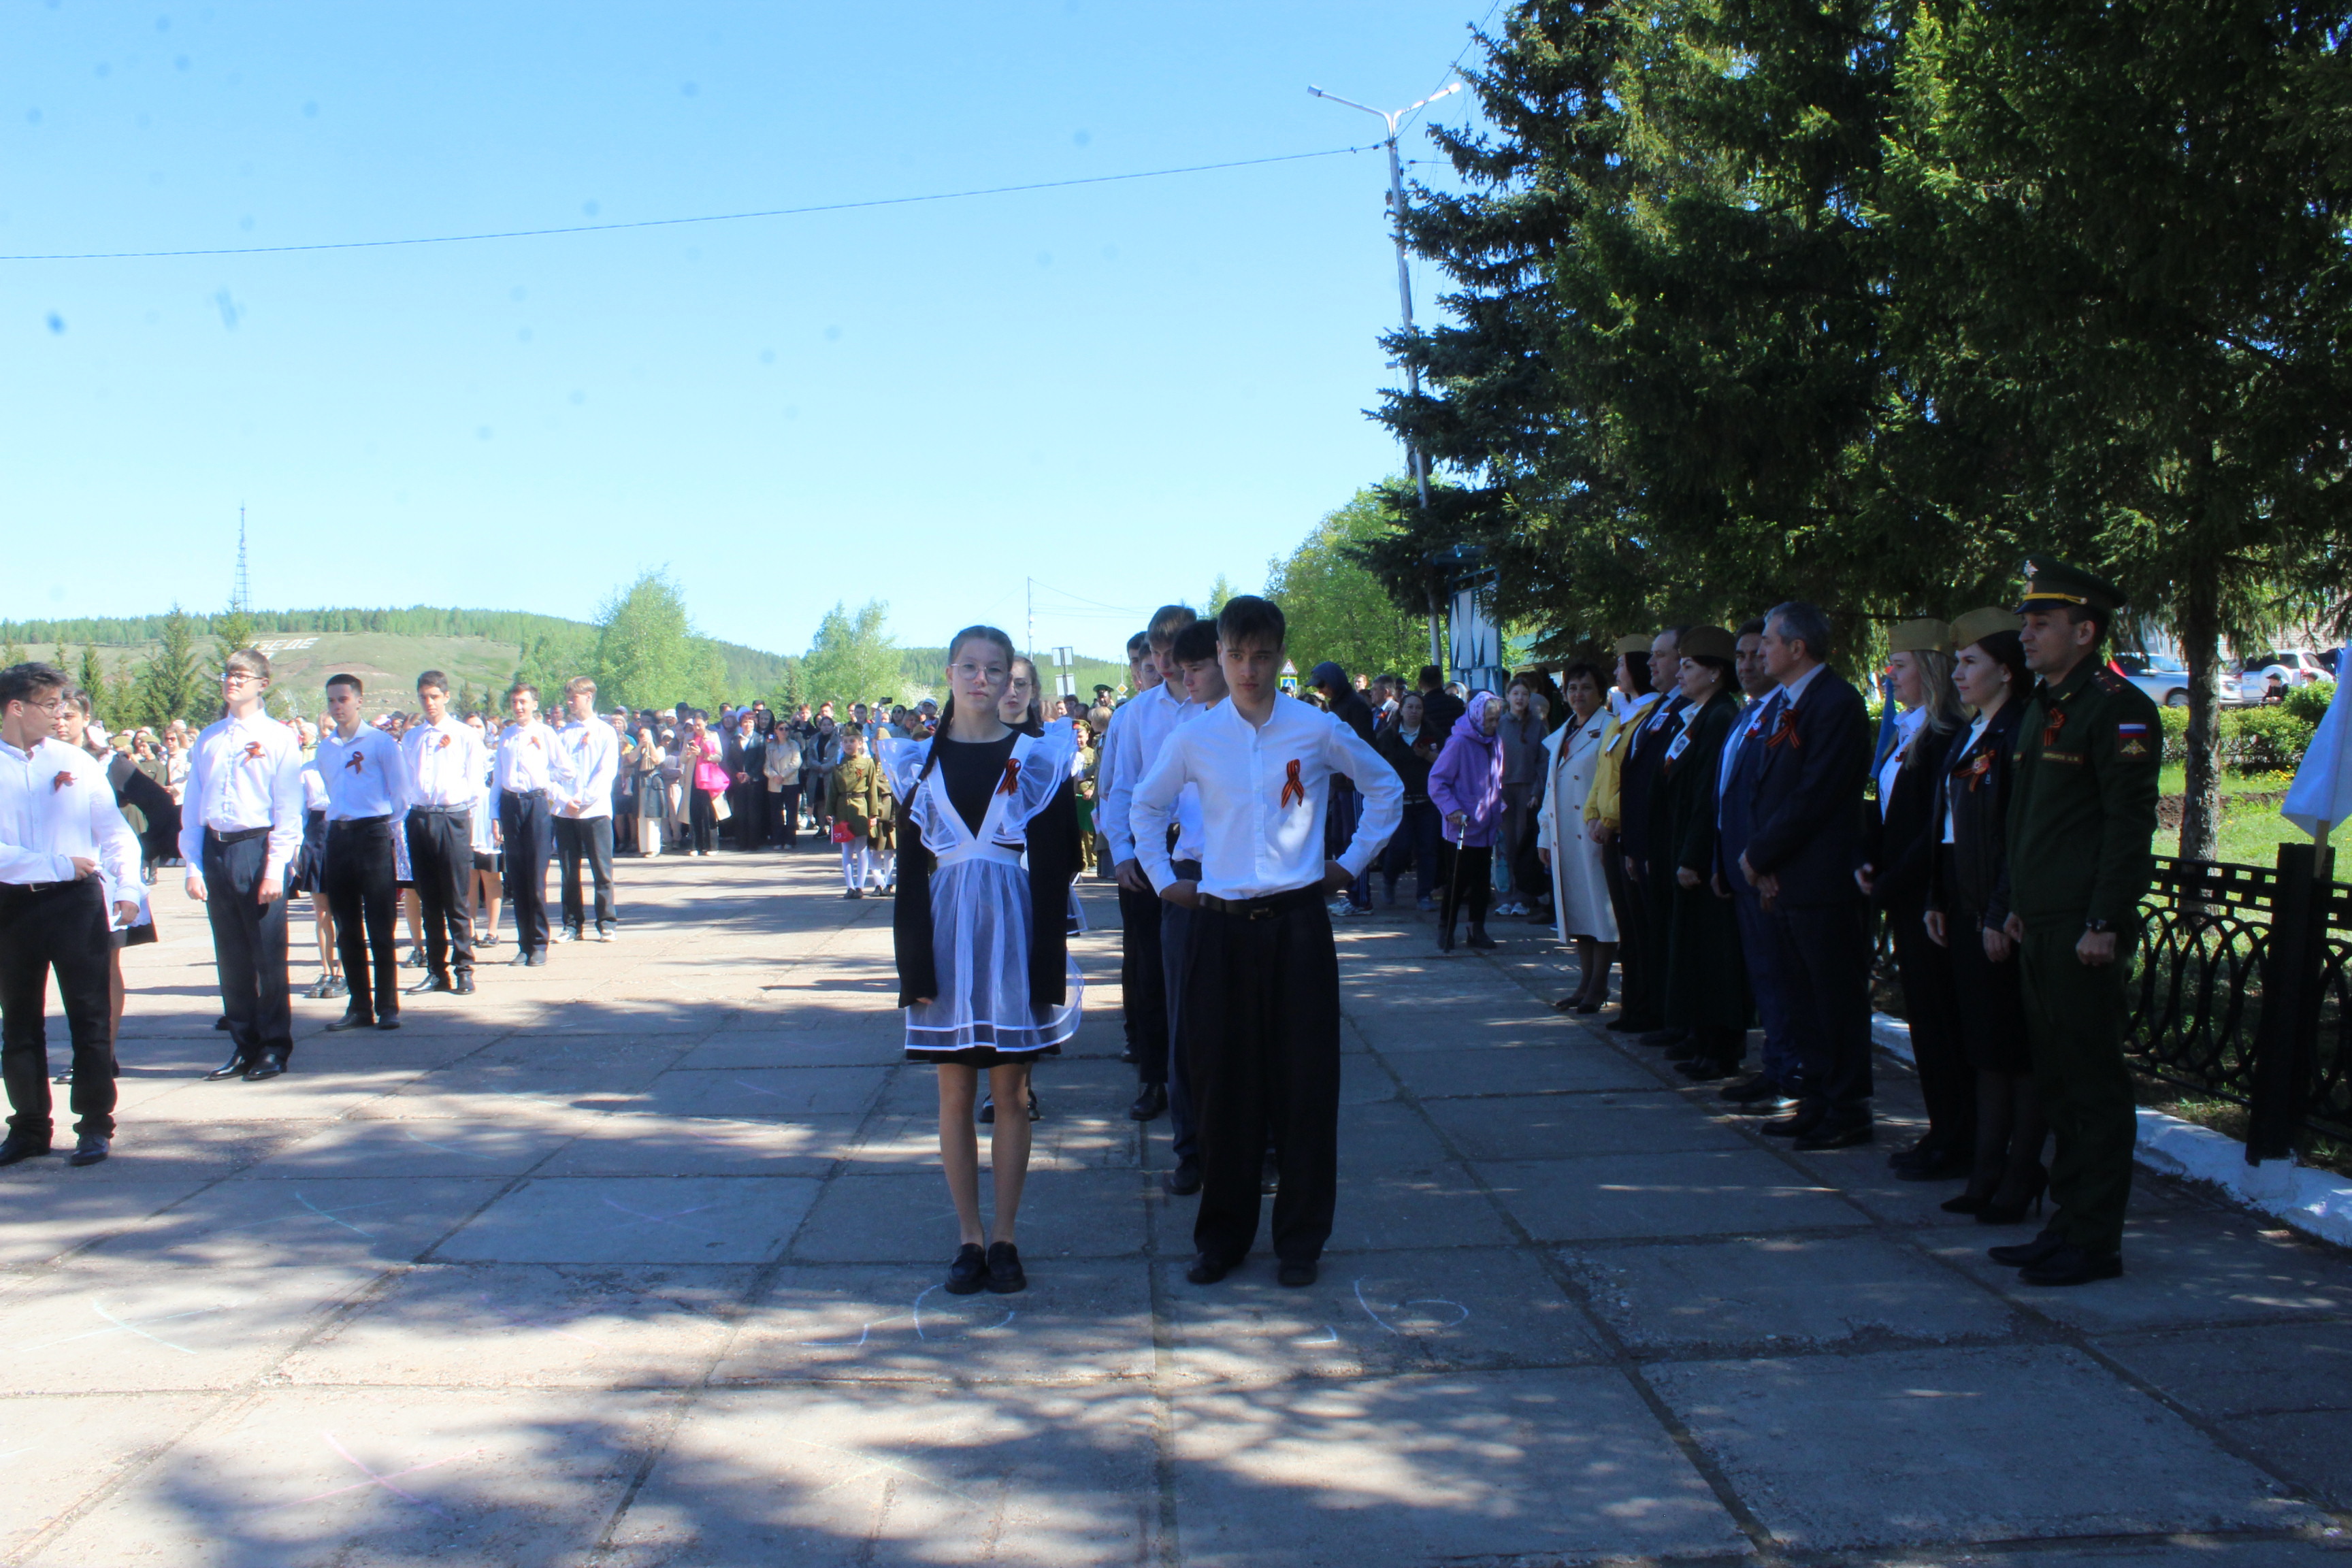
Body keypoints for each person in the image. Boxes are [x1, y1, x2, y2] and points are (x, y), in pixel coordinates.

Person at [1132, 595, 1401, 1288]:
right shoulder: (1196, 737)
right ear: (1218, 655)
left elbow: (1386, 788)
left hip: (1298, 927)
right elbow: (1146, 803)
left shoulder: (1314, 729)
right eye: (1236, 654)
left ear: (1281, 658)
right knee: (1224, 1086)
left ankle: (1301, 1240)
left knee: (1305, 1085)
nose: (1248, 669)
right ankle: (1222, 1237)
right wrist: (1164, 878)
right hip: (1219, 928)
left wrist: (1351, 864)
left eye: (1261, 656)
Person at [881, 625, 1083, 1296]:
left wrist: (1049, 966)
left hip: (1012, 938)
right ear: (948, 674)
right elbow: (911, 876)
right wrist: (914, 970)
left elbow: (1059, 867)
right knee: (953, 1092)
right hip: (945, 939)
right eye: (967, 667)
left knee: (1012, 1094)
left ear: (1008, 682)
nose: (980, 679)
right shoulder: (917, 763)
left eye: (993, 670)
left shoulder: (1037, 757)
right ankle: (967, 1237)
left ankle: (1006, 1237)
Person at [1989, 560, 2160, 1287]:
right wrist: (2015, 904)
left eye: (2041, 623)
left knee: (2092, 1087)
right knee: (2059, 1082)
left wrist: (2104, 920)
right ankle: (2067, 1224)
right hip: (2044, 924)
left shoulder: (2118, 708)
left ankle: (2095, 1241)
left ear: (2085, 632)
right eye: (2026, 621)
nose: (2025, 634)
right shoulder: (2043, 704)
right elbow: (2028, 822)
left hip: (2082, 931)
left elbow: (2127, 827)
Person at [1737, 603, 1874, 1150]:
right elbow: (1767, 789)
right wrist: (1766, 861)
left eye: (1769, 641)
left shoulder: (1836, 703)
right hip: (1787, 877)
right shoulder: (1787, 703)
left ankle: (1847, 1107)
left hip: (1822, 880)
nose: (1761, 650)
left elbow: (1816, 794)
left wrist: (1763, 853)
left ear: (1798, 648)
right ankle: (1815, 1100)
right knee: (1803, 1000)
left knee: (1834, 999)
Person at [1927, 607, 2046, 1224]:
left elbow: (2014, 835)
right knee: (1984, 1049)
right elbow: (1945, 828)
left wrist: (2001, 911)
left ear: (2006, 670)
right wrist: (1935, 900)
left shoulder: (2020, 729)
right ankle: (1986, 1171)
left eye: (1970, 662)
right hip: (1964, 903)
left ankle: (2018, 1176)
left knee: (2011, 1053)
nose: (1958, 673)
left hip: (1998, 911)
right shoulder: (1974, 731)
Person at [0, 665, 142, 1165]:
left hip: (76, 901)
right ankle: (30, 1126)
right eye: (49, 705)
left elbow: (114, 831)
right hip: (12, 904)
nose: (61, 715)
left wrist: (128, 885)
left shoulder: (75, 760)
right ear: (16, 708)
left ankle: (95, 1123)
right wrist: (53, 862)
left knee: (89, 1015)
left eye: (64, 705)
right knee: (18, 1020)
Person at [1857, 621, 1971, 1178]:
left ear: (1929, 669)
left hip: (1927, 895)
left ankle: (1957, 1135)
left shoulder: (1947, 734)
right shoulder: (1907, 729)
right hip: (1901, 889)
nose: (1890, 676)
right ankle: (1941, 1129)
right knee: (1926, 1021)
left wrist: (1890, 879)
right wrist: (1868, 859)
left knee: (1942, 1022)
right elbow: (1886, 807)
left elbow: (1932, 828)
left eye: (1899, 666)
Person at [181, 648, 308, 1081]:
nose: (231, 681)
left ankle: (274, 1046)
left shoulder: (277, 736)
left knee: (267, 956)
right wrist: (193, 865)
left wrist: (276, 867)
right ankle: (243, 1043)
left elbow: (289, 807)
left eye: (241, 675)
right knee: (231, 957)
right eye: (227, 674)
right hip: (218, 848)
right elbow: (194, 805)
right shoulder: (210, 738)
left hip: (257, 847)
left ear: (262, 684)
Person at [1105, 608, 1198, 1123]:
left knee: (1199, 969)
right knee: (1147, 967)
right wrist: (1122, 854)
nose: (1163, 664)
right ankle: (1154, 1077)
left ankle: (1199, 1075)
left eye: (1173, 653)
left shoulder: (1215, 705)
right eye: (1155, 654)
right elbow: (1121, 788)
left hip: (1205, 850)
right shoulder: (1136, 714)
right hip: (1147, 848)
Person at [1715, 620, 1801, 1109]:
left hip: (1766, 868)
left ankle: (1788, 1071)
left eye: (1756, 654)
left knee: (1780, 975)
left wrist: (1761, 858)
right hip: (1739, 864)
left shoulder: (1783, 715)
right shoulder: (1747, 716)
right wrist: (1719, 860)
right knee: (1763, 975)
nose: (1749, 664)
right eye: (1742, 656)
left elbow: (1779, 797)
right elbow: (1725, 795)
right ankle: (1776, 1064)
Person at [1654, 627, 1748, 1079]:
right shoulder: (1699, 715)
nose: (1682, 673)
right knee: (1693, 950)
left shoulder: (1720, 717)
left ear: (1714, 672)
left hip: (1706, 855)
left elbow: (1707, 794)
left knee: (1714, 955)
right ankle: (1699, 1036)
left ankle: (1720, 1046)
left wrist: (1693, 856)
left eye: (1690, 667)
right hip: (1684, 844)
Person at [310, 674, 414, 1033]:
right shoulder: (326, 748)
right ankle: (359, 1005)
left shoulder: (380, 743)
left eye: (343, 699)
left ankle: (388, 1005)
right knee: (346, 926)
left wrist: (387, 828)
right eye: (332, 701)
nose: (337, 707)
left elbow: (401, 792)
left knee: (380, 925)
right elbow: (330, 791)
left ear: (358, 701)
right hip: (338, 836)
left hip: (372, 833)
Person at [1584, 636, 1663, 1028]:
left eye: (1620, 664)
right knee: (1628, 927)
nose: (1616, 671)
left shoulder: (1650, 715)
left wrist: (1609, 818)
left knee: (1638, 928)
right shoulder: (1624, 716)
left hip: (1624, 829)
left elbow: (1632, 781)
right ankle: (1635, 1005)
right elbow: (1604, 774)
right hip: (1609, 830)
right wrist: (1593, 813)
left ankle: (1645, 1007)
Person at [1616, 629, 1688, 1036]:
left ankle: (1669, 1017)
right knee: (1646, 936)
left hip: (1662, 843)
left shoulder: (1686, 712)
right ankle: (1654, 1011)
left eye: (1660, 656)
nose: (1650, 664)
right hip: (1641, 841)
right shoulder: (1664, 707)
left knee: (1662, 935)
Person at [400, 670, 487, 998]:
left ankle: (464, 966)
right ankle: (436, 971)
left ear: (446, 697)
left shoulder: (464, 734)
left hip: (452, 817)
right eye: (424, 697)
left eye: (435, 696)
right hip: (421, 817)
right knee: (429, 900)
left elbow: (476, 783)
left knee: (455, 897)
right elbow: (408, 780)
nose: (429, 703)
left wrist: (470, 825)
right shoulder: (412, 737)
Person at [1537, 662, 1615, 1012]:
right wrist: (1544, 834)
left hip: (1593, 833)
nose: (1578, 695)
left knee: (1600, 911)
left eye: (1585, 687)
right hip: (1564, 835)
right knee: (1578, 913)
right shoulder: (1564, 731)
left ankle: (1599, 985)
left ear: (1600, 692)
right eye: (1572, 688)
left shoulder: (1611, 728)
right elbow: (1551, 788)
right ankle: (1584, 982)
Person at [493, 681, 570, 968]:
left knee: (536, 878)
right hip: (511, 804)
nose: (519, 707)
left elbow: (566, 769)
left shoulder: (545, 733)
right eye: (515, 702)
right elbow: (499, 778)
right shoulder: (507, 736)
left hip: (536, 804)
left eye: (524, 702)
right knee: (518, 878)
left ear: (535, 705)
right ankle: (523, 944)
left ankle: (539, 943)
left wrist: (548, 785)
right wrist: (494, 815)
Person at [1427, 691, 1505, 950]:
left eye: (1496, 720)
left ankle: (1476, 928)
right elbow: (1437, 781)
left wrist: (1499, 805)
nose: (1494, 725)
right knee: (1458, 881)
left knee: (1482, 883)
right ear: (1476, 716)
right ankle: (1446, 928)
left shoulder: (1496, 742)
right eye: (1489, 720)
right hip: (1461, 825)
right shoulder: (1459, 742)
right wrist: (1453, 810)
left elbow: (1496, 780)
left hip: (1487, 823)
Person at [552, 677, 621, 944]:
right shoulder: (563, 734)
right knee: (569, 871)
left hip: (595, 809)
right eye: (568, 698)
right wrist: (563, 798)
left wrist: (584, 798)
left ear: (589, 697)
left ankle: (606, 922)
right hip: (566, 810)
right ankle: (572, 924)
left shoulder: (605, 732)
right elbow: (555, 770)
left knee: (602, 869)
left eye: (575, 698)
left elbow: (606, 771)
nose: (570, 702)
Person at [1308, 662, 1378, 917]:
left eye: (1323, 685)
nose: (1322, 691)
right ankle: (1352, 893)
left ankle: (1361, 898)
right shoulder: (1338, 705)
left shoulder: (1355, 706)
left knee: (1354, 839)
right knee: (1339, 839)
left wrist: (1352, 773)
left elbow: (1364, 747)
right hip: (1340, 784)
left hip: (1354, 785)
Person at [1373, 691, 1442, 911]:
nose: (1414, 712)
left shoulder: (1433, 735)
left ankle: (1424, 895)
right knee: (1400, 847)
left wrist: (1429, 756)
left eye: (1418, 708)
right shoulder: (1388, 736)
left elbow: (1447, 765)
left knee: (1428, 849)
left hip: (1427, 802)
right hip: (1399, 803)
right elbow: (1377, 767)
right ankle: (1389, 880)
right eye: (1410, 707)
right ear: (1401, 710)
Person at [1495, 677, 1552, 921]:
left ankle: (1523, 897)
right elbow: (1490, 759)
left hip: (1527, 790)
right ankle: (1505, 897)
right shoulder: (1499, 724)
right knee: (1504, 847)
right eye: (1515, 693)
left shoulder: (1537, 725)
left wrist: (1537, 792)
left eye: (1524, 694)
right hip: (1504, 790)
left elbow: (1544, 760)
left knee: (1523, 845)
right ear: (1508, 697)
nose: (1520, 698)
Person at [829, 730, 886, 898]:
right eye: (845, 741)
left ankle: (860, 886)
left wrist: (873, 814)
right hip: (842, 808)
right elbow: (832, 790)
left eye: (852, 741)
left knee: (861, 848)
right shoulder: (838, 766)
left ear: (860, 744)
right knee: (846, 848)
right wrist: (830, 811)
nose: (848, 744)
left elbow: (873, 791)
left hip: (861, 807)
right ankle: (850, 886)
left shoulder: (868, 764)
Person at [724, 707, 767, 852]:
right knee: (740, 812)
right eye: (745, 722)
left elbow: (761, 760)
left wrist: (750, 774)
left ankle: (754, 842)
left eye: (750, 722)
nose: (748, 725)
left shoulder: (760, 739)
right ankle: (742, 842)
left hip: (754, 781)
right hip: (738, 781)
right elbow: (729, 760)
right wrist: (737, 773)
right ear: (741, 724)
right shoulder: (734, 739)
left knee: (754, 812)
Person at [685, 717, 726, 856]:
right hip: (693, 779)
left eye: (699, 725)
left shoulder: (713, 736)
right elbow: (682, 759)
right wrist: (688, 753)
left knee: (710, 812)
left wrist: (703, 754)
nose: (697, 728)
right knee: (694, 812)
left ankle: (712, 846)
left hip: (708, 779)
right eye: (694, 725)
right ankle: (696, 845)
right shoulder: (688, 738)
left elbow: (719, 756)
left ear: (706, 723)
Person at [764, 715, 802, 849]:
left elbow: (797, 762)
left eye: (786, 729)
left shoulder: (794, 745)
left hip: (791, 782)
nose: (784, 732)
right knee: (776, 813)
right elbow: (766, 765)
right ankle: (777, 840)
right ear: (776, 731)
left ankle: (790, 840)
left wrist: (783, 775)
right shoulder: (770, 747)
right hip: (774, 784)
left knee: (792, 812)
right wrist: (774, 776)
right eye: (781, 729)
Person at [631, 727, 668, 858]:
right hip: (641, 783)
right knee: (641, 816)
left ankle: (654, 848)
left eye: (645, 735)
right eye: (641, 735)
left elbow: (657, 759)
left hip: (653, 783)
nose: (643, 737)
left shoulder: (660, 748)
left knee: (653, 815)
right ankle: (644, 847)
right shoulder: (639, 749)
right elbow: (631, 759)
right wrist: (640, 745)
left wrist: (650, 743)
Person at [1416, 665, 1465, 739]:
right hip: (1457, 747)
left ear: (1420, 684)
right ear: (1441, 682)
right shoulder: (1458, 704)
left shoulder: (1420, 707)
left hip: (1430, 748)